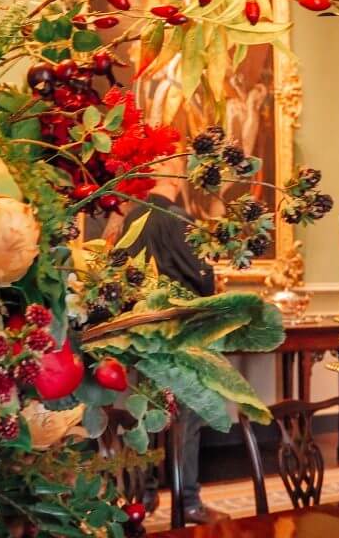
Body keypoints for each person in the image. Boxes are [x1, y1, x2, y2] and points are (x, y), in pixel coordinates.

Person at [118, 151, 224, 525]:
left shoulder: (132, 217)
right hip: (181, 337)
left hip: (143, 336)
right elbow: (203, 278)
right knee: (188, 419)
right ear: (176, 179)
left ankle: (143, 497)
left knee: (145, 415)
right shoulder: (181, 221)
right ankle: (188, 500)